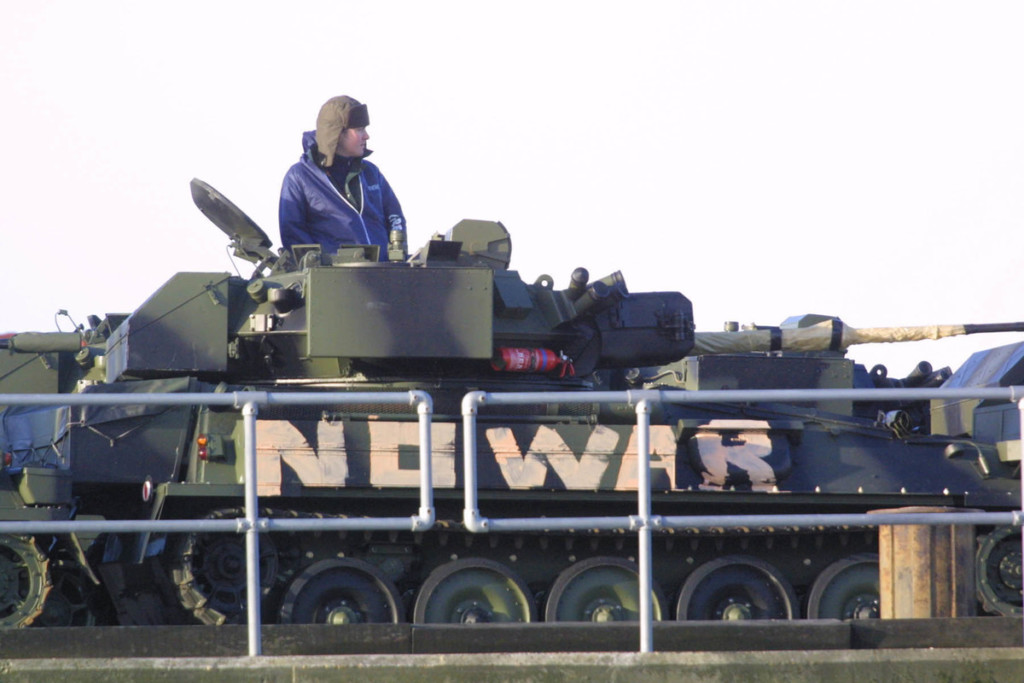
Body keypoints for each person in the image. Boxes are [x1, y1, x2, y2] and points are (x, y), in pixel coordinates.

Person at [279, 96, 406, 259]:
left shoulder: (370, 173)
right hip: (333, 280)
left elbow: (395, 218)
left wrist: (398, 260)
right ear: (337, 133)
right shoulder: (300, 178)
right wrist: (320, 267)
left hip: (382, 276)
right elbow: (294, 236)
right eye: (359, 129)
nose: (366, 136)